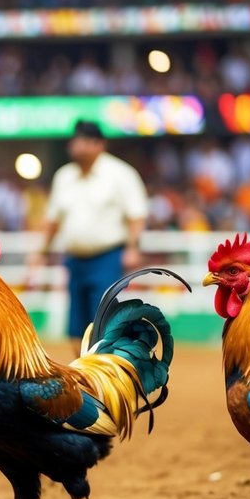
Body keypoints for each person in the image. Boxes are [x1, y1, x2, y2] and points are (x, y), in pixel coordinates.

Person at [35, 120, 148, 341]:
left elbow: (136, 215)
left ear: (98, 144)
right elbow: (53, 220)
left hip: (107, 257)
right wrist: (41, 251)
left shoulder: (120, 174)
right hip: (75, 259)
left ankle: (104, 371)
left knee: (103, 319)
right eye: (74, 141)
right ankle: (83, 371)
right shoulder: (64, 176)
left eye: (82, 141)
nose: (75, 146)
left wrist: (132, 247)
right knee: (76, 327)